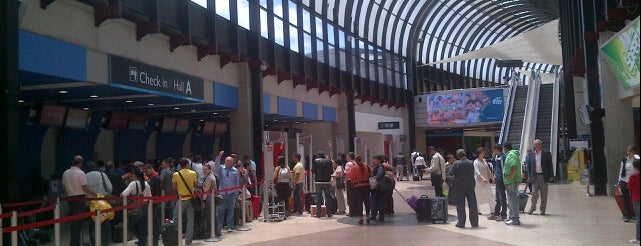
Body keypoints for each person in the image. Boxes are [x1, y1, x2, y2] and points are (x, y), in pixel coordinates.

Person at [62, 155, 97, 246]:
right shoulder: (80, 173)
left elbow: (64, 186)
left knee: (74, 221)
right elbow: (84, 187)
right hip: (79, 199)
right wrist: (94, 194)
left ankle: (75, 242)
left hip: (70, 198)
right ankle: (74, 243)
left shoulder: (66, 172)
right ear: (81, 163)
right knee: (78, 223)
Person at [120, 168, 151, 246]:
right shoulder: (146, 184)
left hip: (134, 209)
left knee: (131, 226)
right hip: (144, 209)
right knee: (142, 229)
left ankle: (142, 239)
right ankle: (142, 241)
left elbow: (124, 194)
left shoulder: (133, 184)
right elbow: (149, 197)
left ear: (135, 175)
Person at [448, 149, 479, 228]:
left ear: (458, 156)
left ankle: (461, 223)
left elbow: (451, 172)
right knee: (472, 205)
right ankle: (474, 222)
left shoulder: (456, 163)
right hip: (470, 185)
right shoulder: (470, 162)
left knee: (460, 205)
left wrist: (453, 163)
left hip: (459, 187)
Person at [85, 161, 113, 246]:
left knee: (92, 224)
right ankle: (105, 243)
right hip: (103, 202)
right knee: (105, 223)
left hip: (90, 203)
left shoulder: (84, 177)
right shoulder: (102, 174)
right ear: (95, 167)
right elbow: (109, 188)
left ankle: (94, 243)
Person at [172, 157, 197, 245]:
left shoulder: (176, 174)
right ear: (187, 164)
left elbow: (174, 187)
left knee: (176, 218)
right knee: (190, 219)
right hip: (191, 198)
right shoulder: (193, 173)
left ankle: (176, 237)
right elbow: (194, 184)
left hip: (181, 199)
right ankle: (188, 240)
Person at [526, 139, 554, 215]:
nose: (537, 145)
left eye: (538, 144)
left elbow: (550, 165)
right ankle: (532, 208)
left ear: (541, 145)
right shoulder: (530, 155)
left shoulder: (547, 154)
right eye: (535, 144)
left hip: (544, 176)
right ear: (534, 145)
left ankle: (542, 210)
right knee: (534, 193)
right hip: (535, 177)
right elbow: (528, 166)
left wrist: (551, 175)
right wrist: (529, 176)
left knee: (544, 194)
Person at [216, 156, 239, 233]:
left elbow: (237, 182)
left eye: (230, 161)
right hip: (222, 193)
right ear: (224, 161)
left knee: (231, 210)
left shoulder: (235, 171)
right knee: (220, 210)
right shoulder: (221, 168)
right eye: (227, 161)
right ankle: (219, 226)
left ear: (232, 162)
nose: (228, 162)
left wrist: (236, 193)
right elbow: (216, 165)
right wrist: (219, 157)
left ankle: (230, 226)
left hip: (231, 193)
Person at [347, 155, 372, 225]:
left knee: (359, 202)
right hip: (366, 185)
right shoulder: (366, 166)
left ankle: (361, 217)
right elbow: (371, 173)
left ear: (355, 160)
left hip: (358, 186)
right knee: (367, 201)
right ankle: (367, 215)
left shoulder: (354, 167)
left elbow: (351, 177)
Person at [503, 142, 522, 226]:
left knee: (513, 200)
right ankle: (512, 217)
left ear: (505, 148)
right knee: (511, 200)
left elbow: (514, 165)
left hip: (512, 181)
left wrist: (511, 176)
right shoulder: (511, 154)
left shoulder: (511, 155)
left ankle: (515, 219)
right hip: (510, 181)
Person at [619, 145, 640, 223]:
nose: (629, 153)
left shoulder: (637, 159)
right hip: (625, 180)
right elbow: (621, 171)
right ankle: (627, 215)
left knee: (635, 198)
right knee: (625, 198)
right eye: (628, 151)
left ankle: (635, 213)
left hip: (635, 181)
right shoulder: (624, 160)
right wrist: (619, 181)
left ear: (634, 151)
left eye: (630, 151)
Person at [313, 151, 335, 218]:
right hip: (327, 182)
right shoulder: (329, 162)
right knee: (328, 197)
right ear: (324, 155)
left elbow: (313, 171)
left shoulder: (316, 161)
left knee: (319, 197)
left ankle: (318, 214)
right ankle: (329, 213)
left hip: (318, 182)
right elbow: (331, 171)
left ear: (318, 155)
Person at [144, 164, 162, 246]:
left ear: (150, 169)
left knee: (155, 223)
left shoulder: (154, 179)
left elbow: (148, 190)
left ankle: (154, 242)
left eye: (146, 171)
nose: (145, 173)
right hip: (156, 203)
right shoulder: (156, 177)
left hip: (154, 204)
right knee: (155, 223)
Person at [488, 145, 507, 221]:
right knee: (498, 197)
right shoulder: (497, 157)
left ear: (497, 150)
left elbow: (503, 169)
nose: (494, 152)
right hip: (498, 179)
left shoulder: (502, 157)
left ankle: (503, 214)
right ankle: (496, 213)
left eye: (494, 150)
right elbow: (494, 165)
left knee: (502, 197)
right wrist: (493, 158)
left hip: (501, 179)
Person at [473, 148, 495, 215]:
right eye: (482, 153)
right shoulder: (476, 162)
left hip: (486, 181)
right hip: (479, 182)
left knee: (490, 195)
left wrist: (492, 177)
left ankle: (493, 210)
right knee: (477, 196)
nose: (484, 154)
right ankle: (477, 210)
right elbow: (477, 172)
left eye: (484, 153)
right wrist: (483, 178)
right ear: (479, 154)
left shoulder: (484, 161)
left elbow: (488, 170)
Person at [201, 164, 220, 240]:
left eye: (205, 169)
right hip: (212, 197)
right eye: (203, 169)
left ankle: (210, 233)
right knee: (213, 215)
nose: (203, 171)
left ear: (209, 169)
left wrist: (203, 201)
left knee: (210, 216)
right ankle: (217, 232)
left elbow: (206, 191)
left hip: (209, 198)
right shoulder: (211, 176)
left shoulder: (209, 178)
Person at [627, 158, 640, 244]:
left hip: (636, 199)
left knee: (639, 218)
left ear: (635, 167)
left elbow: (628, 187)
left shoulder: (633, 177)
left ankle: (638, 238)